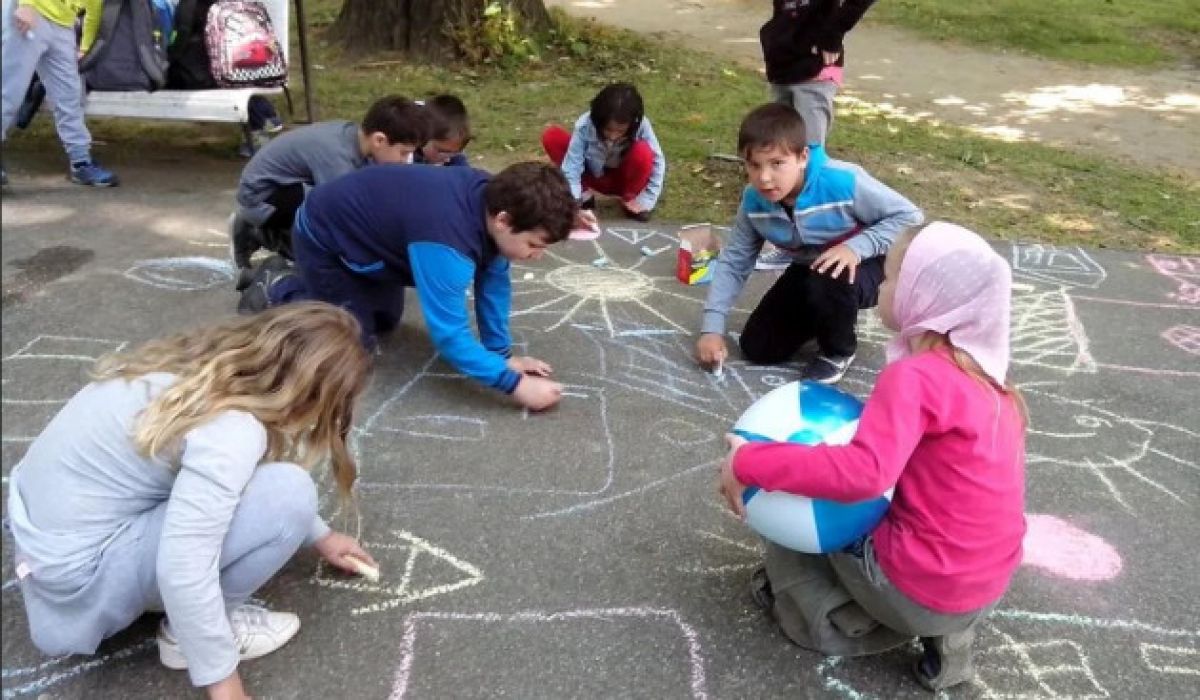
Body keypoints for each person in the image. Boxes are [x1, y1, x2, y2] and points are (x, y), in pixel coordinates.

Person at [7, 303, 379, 700]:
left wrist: (320, 535)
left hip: (45, 554)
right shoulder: (231, 431)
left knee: (250, 488)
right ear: (309, 399)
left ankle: (182, 621)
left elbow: (222, 474)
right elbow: (183, 565)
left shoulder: (192, 370)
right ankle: (187, 639)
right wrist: (225, 685)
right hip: (81, 585)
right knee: (291, 492)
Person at [718, 221, 1027, 692]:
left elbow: (863, 473)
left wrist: (749, 462)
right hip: (982, 586)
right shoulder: (993, 386)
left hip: (917, 587)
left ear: (925, 295)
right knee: (886, 506)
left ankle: (831, 615)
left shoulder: (916, 378)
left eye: (892, 276)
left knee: (797, 501)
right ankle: (947, 638)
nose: (879, 284)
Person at [239, 161, 579, 412]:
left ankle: (340, 286)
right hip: (326, 240)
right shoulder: (447, 241)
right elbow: (450, 336)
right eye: (534, 245)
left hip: (374, 246)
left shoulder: (496, 202)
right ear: (503, 220)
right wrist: (515, 386)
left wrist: (502, 356)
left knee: (386, 321)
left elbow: (494, 282)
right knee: (348, 345)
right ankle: (278, 286)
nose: (537, 256)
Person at [696, 103, 922, 384]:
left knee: (829, 275)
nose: (764, 177)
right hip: (813, 266)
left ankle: (837, 351)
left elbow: (910, 217)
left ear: (802, 157)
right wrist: (712, 328)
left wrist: (856, 248)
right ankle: (827, 314)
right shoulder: (753, 201)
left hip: (872, 264)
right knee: (759, 347)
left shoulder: (841, 180)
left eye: (777, 163)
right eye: (754, 165)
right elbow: (735, 261)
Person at [228, 95, 432, 287]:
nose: (405, 161)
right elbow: (340, 214)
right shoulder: (337, 158)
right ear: (379, 140)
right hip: (261, 198)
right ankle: (257, 232)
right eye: (403, 153)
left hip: (286, 188)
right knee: (323, 252)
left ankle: (277, 237)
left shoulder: (357, 139)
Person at [755, 0, 876, 270]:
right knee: (778, 155)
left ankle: (815, 244)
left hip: (815, 68)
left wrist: (833, 34)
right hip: (784, 65)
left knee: (808, 159)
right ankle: (789, 241)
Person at [1, 0, 118, 187]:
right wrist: (26, 4)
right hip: (30, 11)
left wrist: (85, 47)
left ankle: (81, 162)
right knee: (9, 92)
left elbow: (94, 6)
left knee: (70, 96)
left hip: (63, 23)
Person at [541, 82, 666, 224]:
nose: (612, 136)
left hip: (624, 179)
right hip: (595, 176)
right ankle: (584, 195)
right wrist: (574, 202)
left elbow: (658, 160)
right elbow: (572, 165)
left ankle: (630, 199)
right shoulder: (585, 125)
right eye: (608, 129)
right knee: (553, 136)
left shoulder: (641, 125)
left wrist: (647, 198)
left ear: (632, 124)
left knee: (644, 151)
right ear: (598, 121)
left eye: (620, 131)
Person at [414, 93, 471, 166]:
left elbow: (463, 169)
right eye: (441, 151)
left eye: (455, 152)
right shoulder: (404, 147)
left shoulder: (452, 146)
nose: (447, 159)